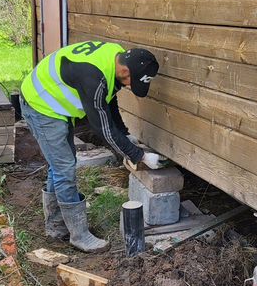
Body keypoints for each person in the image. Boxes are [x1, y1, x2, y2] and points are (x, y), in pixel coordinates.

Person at [20, 41, 163, 253]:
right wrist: (139, 155)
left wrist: (125, 136)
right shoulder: (93, 77)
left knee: (59, 166)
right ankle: (79, 236)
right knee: (65, 167)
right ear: (124, 69)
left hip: (53, 103)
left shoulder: (113, 57)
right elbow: (102, 128)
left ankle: (56, 227)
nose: (131, 87)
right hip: (41, 104)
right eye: (131, 82)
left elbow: (109, 101)